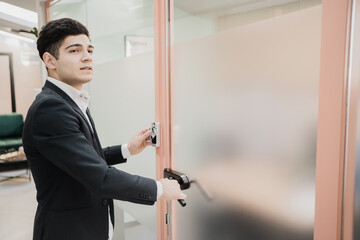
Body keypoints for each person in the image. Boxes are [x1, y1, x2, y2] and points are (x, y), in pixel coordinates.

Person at [22, 18, 186, 240]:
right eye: (74, 50)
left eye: (89, 50)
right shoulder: (51, 108)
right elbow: (98, 176)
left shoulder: (71, 100)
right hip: (69, 231)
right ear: (50, 60)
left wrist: (128, 149)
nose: (87, 57)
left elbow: (82, 161)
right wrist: (159, 188)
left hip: (88, 226)